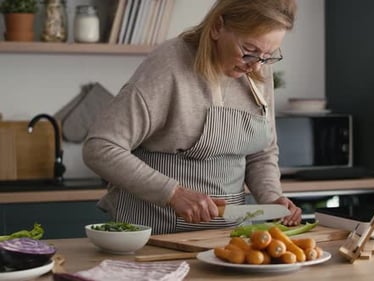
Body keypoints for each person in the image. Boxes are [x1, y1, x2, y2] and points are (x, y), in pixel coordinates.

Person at [82, 0, 302, 234]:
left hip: (229, 236)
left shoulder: (257, 69)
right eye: (249, 51)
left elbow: (262, 152)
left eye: (267, 56)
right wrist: (173, 193)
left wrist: (271, 198)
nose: (256, 67)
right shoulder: (169, 65)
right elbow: (100, 147)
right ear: (218, 26)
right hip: (154, 234)